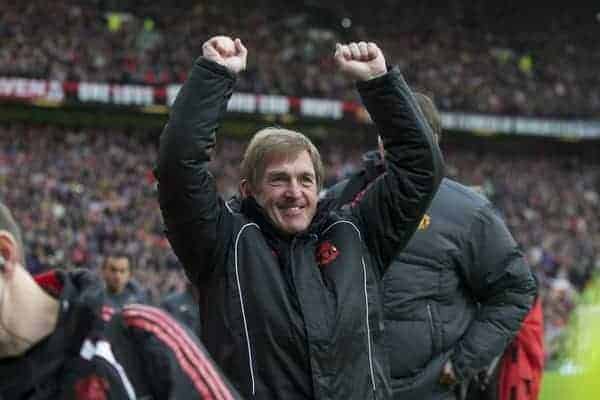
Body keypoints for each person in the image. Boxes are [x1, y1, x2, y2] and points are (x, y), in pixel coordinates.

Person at [156, 35, 444, 399]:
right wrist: (214, 75)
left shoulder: (357, 235)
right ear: (249, 190)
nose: (295, 191)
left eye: (305, 179)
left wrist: (379, 84)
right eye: (278, 180)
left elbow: (422, 168)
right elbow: (177, 167)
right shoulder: (222, 244)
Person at [323, 93, 537, 399]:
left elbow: (515, 290)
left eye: (409, 135)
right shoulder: (339, 198)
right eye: (389, 135)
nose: (396, 144)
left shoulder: (468, 212)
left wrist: (461, 363)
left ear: (432, 141)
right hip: (348, 387)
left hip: (430, 390)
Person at [0, 203, 241, 399]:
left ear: (4, 253)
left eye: (122, 270)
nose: (117, 275)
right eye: (112, 270)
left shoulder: (143, 335)